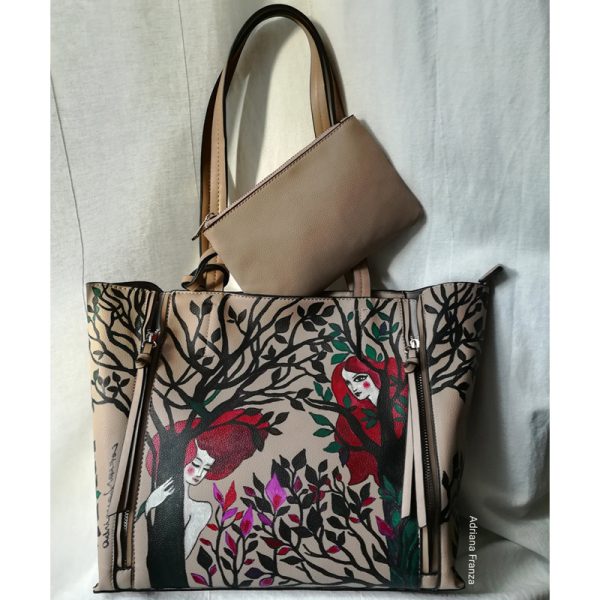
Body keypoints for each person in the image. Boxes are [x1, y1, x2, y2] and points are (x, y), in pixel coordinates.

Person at [144, 440, 215, 558]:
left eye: (206, 468)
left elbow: (181, 556)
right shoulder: (156, 495)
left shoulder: (202, 510)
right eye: (196, 464)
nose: (200, 473)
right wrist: (150, 504)